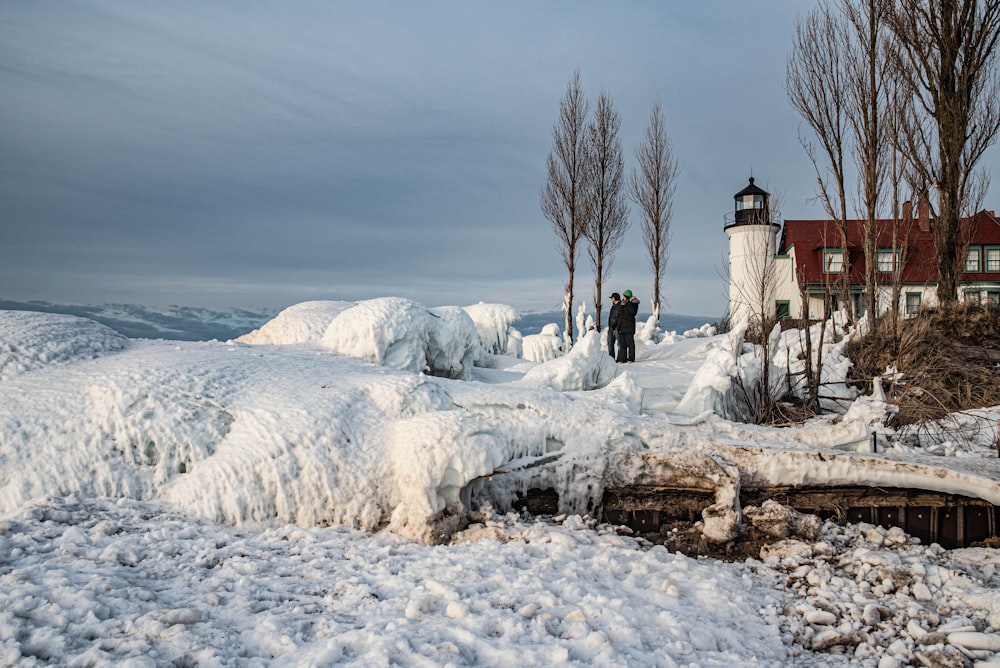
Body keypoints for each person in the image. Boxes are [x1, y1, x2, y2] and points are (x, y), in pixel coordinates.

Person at [616, 289, 639, 363]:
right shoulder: (622, 304)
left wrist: (627, 304)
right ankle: (623, 359)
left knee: (630, 344)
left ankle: (631, 359)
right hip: (622, 326)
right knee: (622, 344)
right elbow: (619, 314)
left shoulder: (633, 303)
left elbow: (633, 312)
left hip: (629, 327)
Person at [607, 293, 622, 359]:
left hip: (617, 328)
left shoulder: (620, 306)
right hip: (611, 327)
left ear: (614, 298)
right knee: (610, 343)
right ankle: (611, 358)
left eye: (612, 298)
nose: (611, 300)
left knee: (619, 343)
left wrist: (616, 325)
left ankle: (620, 358)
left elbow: (618, 317)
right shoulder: (613, 306)